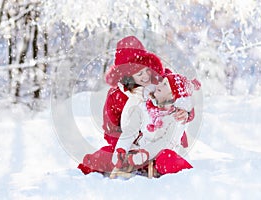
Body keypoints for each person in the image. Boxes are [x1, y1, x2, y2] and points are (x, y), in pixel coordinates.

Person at [77, 36, 195, 177]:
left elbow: (183, 97)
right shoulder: (116, 96)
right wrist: (125, 151)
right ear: (127, 76)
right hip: (131, 148)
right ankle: (80, 174)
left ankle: (187, 175)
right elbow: (111, 130)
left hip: (164, 143)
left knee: (167, 159)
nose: (146, 76)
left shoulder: (162, 81)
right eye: (139, 73)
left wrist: (187, 114)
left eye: (147, 70)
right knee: (103, 156)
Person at [110, 72, 200, 178]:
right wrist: (121, 149)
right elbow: (131, 130)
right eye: (162, 82)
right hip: (139, 153)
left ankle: (189, 176)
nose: (159, 85)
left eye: (165, 84)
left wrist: (146, 153)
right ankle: (89, 167)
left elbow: (167, 141)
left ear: (173, 95)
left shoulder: (177, 117)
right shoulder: (143, 107)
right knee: (106, 153)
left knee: (167, 158)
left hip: (159, 155)